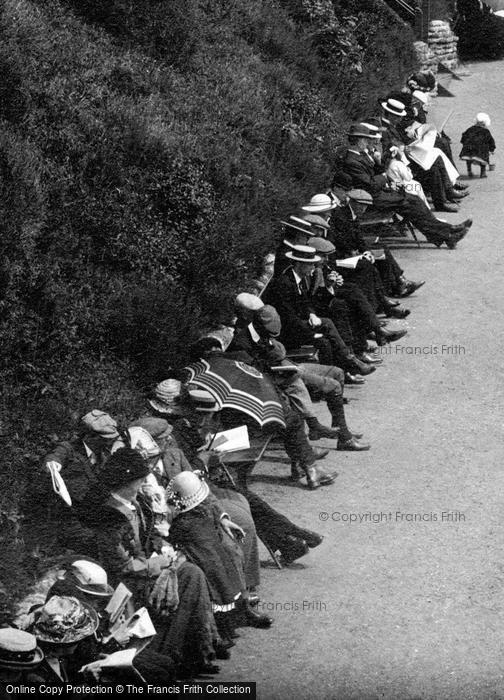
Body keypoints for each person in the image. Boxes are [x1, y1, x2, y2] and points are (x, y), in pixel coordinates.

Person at [340, 123, 472, 249]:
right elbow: (371, 184)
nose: (368, 142)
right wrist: (385, 176)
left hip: (377, 193)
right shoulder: (351, 160)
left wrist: (378, 162)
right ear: (358, 141)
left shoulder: (360, 156)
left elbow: (374, 175)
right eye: (365, 139)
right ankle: (447, 233)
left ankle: (447, 233)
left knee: (413, 200)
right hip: (369, 199)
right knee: (410, 202)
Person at [262, 243, 376, 375]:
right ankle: (348, 365)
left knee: (327, 329)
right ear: (299, 264)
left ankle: (344, 368)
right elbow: (288, 318)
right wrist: (311, 333)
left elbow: (305, 303)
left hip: (298, 325)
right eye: (310, 264)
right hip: (287, 332)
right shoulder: (284, 283)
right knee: (325, 335)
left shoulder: (299, 278)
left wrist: (312, 315)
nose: (313, 267)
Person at [42, 409, 120, 551]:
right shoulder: (69, 449)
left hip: (88, 513)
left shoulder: (102, 455)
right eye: (104, 439)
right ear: (90, 436)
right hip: (65, 515)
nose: (108, 442)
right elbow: (55, 457)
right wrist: (53, 464)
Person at [460, 112, 496, 178]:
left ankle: (469, 171)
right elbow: (491, 141)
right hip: (479, 152)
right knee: (484, 154)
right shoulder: (486, 131)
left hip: (467, 151)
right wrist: (491, 149)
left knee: (469, 158)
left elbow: (463, 138)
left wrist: (465, 144)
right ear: (484, 123)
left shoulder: (469, 129)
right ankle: (483, 172)